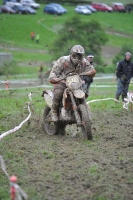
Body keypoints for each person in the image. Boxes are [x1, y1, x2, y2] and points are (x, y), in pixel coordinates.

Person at [49, 45, 96, 122]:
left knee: (83, 94)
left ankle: (85, 113)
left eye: (79, 55)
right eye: (75, 55)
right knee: (58, 93)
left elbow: (92, 70)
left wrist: (91, 72)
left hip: (77, 83)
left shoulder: (84, 62)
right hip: (62, 81)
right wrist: (53, 78)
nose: (77, 57)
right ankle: (54, 112)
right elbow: (54, 71)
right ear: (72, 54)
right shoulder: (63, 60)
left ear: (82, 55)